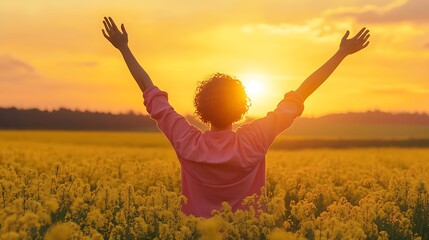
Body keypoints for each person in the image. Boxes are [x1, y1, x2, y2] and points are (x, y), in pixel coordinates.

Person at [101, 16, 370, 218]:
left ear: (201, 109)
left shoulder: (186, 141)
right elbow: (302, 93)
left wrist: (124, 48)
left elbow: (150, 92)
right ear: (242, 107)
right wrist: (341, 53)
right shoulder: (255, 139)